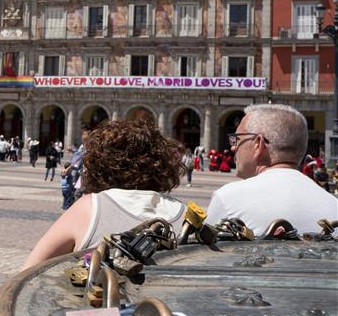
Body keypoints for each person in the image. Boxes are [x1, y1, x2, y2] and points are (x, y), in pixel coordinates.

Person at [22, 120, 185, 270]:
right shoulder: (187, 216)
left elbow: (27, 273)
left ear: (98, 165)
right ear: (163, 164)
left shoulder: (89, 207)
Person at [206, 104, 338, 236]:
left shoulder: (228, 199)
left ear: (258, 143)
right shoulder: (333, 205)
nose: (233, 147)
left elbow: (206, 253)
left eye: (237, 139)